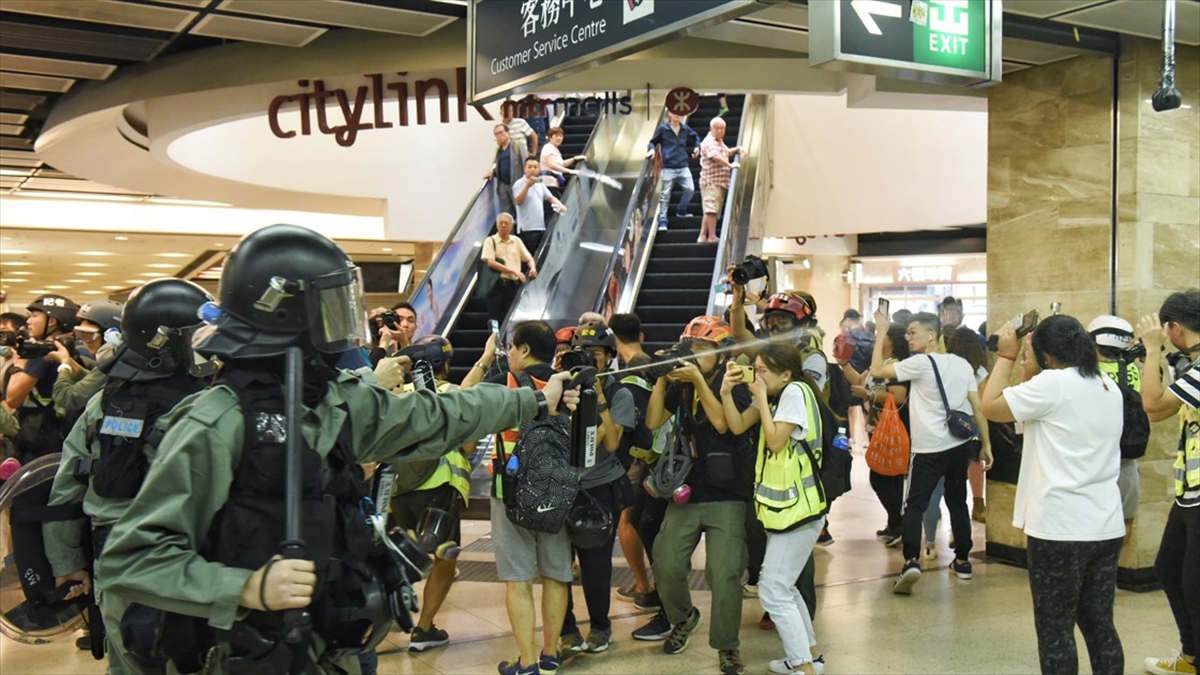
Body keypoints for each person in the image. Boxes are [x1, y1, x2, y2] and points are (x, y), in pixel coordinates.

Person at [94, 225, 578, 675]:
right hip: (245, 654)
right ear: (286, 313)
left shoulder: (333, 398)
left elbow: (438, 416)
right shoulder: (216, 423)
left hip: (329, 646)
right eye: (328, 303)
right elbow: (131, 559)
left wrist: (533, 399)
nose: (340, 320)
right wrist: (244, 587)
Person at [43, 278, 215, 674]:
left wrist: (68, 564)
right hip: (194, 560)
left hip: (117, 564)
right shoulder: (215, 402)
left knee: (127, 664)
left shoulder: (107, 401)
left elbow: (68, 485)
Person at [980, 315, 1125, 675]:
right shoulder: (1107, 384)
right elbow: (1041, 415)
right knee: (1098, 623)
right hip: (1105, 526)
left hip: (1059, 530)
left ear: (1045, 354)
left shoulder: (1053, 385)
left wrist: (1007, 357)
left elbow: (990, 406)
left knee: (1055, 627)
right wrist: (1034, 371)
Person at [638, 316, 754, 675]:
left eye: (702, 347)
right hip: (687, 490)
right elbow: (653, 421)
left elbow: (722, 423)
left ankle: (727, 646)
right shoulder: (682, 380)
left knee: (724, 574)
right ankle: (684, 618)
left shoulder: (733, 380)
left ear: (720, 352)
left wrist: (699, 381)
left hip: (728, 493)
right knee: (667, 562)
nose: (694, 352)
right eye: (691, 345)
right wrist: (661, 376)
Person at [461, 320, 573, 675]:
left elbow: (460, 401)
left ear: (524, 349)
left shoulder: (505, 384)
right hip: (557, 491)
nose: (508, 354)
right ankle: (551, 655)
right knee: (556, 574)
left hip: (508, 492)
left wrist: (483, 360)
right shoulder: (569, 385)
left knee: (519, 579)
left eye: (510, 347)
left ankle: (526, 663)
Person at [722, 342, 827, 675]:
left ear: (786, 373)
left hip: (800, 509)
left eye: (764, 370)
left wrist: (763, 399)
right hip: (791, 509)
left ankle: (803, 668)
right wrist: (727, 392)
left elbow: (776, 439)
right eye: (756, 368)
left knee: (773, 589)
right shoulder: (779, 395)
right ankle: (810, 657)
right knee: (784, 585)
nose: (758, 375)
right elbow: (738, 426)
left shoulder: (794, 392)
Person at [869, 310, 992, 595]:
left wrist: (881, 331)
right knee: (958, 503)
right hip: (959, 447)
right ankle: (962, 561)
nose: (909, 337)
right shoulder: (962, 365)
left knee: (915, 505)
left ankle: (911, 560)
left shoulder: (920, 363)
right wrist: (986, 444)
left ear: (932, 334)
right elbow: (977, 406)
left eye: (913, 332)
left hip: (927, 450)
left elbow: (877, 371)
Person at [385, 335, 473, 654]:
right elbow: (468, 446)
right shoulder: (451, 394)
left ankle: (389, 611)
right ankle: (423, 628)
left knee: (401, 553)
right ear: (445, 364)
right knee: (444, 558)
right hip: (439, 488)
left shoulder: (395, 396)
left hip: (398, 490)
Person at [559, 322, 636, 658]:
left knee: (596, 563)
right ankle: (566, 630)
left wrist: (598, 397)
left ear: (609, 357)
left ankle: (600, 627)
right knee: (558, 563)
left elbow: (612, 441)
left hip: (601, 487)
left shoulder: (619, 392)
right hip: (562, 486)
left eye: (597, 355)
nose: (590, 360)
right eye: (583, 354)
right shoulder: (560, 389)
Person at [1135, 290, 1200, 675]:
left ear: (1174, 328)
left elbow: (1154, 407)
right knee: (1170, 569)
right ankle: (1191, 657)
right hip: (1189, 492)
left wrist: (1153, 351)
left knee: (1192, 583)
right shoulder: (1193, 365)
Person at [851, 325, 911, 548]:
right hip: (877, 428)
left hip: (891, 428)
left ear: (892, 341)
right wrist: (843, 362)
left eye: (881, 335)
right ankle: (893, 524)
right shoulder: (879, 365)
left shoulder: (895, 366)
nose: (876, 338)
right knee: (891, 477)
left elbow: (898, 396)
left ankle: (898, 523)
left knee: (879, 477)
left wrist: (868, 394)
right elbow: (858, 379)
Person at [1088, 314, 1144, 542]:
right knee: (1125, 519)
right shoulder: (1132, 371)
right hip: (1126, 458)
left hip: (1093, 459)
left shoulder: (1087, 373)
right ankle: (1113, 571)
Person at [645, 109, 700, 231]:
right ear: (669, 114)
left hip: (683, 165)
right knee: (665, 195)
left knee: (690, 189)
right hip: (669, 166)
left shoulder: (685, 128)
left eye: (679, 113)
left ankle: (681, 210)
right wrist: (652, 149)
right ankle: (663, 220)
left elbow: (695, 136)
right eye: (674, 113)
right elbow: (653, 142)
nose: (677, 115)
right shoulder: (663, 129)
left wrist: (697, 147)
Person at [480, 213, 538, 327]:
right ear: (497, 225)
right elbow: (491, 262)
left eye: (506, 223)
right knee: (495, 319)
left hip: (513, 286)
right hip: (497, 285)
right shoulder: (490, 241)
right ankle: (495, 343)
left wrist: (533, 268)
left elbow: (528, 257)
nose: (503, 225)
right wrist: (513, 271)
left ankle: (508, 342)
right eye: (500, 223)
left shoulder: (516, 240)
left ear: (511, 226)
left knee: (511, 318)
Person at [698, 117, 744, 243]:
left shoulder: (719, 142)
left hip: (718, 182)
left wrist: (737, 149)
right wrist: (730, 165)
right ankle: (712, 236)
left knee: (710, 209)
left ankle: (702, 236)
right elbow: (716, 157)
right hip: (712, 181)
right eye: (717, 128)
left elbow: (725, 152)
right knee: (712, 209)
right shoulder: (709, 142)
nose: (720, 130)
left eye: (722, 128)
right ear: (711, 129)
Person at [513, 156, 567, 256]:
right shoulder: (519, 184)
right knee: (528, 258)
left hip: (540, 227)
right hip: (526, 229)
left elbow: (551, 198)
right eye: (530, 167)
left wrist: (561, 206)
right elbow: (518, 201)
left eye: (535, 167)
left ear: (539, 169)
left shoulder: (540, 184)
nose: (532, 169)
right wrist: (527, 186)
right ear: (524, 169)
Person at [485, 123, 528, 216]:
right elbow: (498, 166)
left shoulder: (517, 145)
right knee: (506, 215)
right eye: (496, 134)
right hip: (503, 187)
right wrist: (492, 171)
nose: (499, 135)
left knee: (521, 212)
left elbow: (526, 163)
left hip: (518, 185)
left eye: (501, 132)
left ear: (508, 133)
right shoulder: (498, 150)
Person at [540, 127, 586, 195]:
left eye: (561, 136)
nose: (559, 138)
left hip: (554, 183)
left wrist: (574, 159)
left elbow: (562, 163)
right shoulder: (549, 147)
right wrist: (570, 171)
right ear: (550, 137)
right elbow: (551, 164)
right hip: (548, 183)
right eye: (556, 136)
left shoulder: (555, 149)